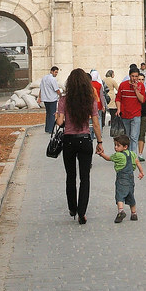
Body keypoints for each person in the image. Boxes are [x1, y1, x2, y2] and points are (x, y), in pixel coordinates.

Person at [55, 68, 104, 225]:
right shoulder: (89, 100)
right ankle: (82, 212)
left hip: (68, 140)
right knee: (85, 178)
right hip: (85, 139)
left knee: (70, 176)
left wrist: (57, 115)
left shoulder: (64, 100)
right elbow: (95, 123)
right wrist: (100, 142)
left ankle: (72, 208)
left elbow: (60, 122)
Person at [98, 133, 143, 222]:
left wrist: (101, 154)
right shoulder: (132, 154)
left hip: (122, 178)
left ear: (125, 147)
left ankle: (121, 211)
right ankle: (134, 213)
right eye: (115, 145)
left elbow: (108, 158)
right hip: (131, 178)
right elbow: (137, 162)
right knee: (131, 195)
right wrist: (141, 172)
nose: (115, 147)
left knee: (120, 195)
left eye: (118, 145)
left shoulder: (118, 155)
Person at [115, 65, 146, 155]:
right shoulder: (123, 85)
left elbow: (142, 100)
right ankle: (127, 154)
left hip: (136, 115)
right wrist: (118, 109)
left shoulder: (141, 86)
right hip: (125, 115)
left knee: (134, 137)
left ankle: (133, 156)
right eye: (133, 76)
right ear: (129, 76)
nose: (134, 78)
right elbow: (118, 99)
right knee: (127, 137)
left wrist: (136, 90)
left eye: (136, 76)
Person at [39, 65, 62, 133]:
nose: (56, 74)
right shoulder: (52, 79)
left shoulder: (44, 78)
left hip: (45, 98)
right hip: (52, 99)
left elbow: (41, 88)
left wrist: (40, 97)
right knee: (52, 114)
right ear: (51, 71)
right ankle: (51, 129)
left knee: (48, 113)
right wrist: (60, 95)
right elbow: (56, 89)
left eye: (57, 72)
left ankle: (47, 128)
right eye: (55, 72)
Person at [137, 72, 146, 161]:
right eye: (139, 79)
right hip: (134, 114)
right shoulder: (133, 90)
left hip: (143, 114)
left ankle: (140, 153)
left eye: (142, 79)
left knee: (141, 135)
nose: (141, 81)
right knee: (134, 135)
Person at [89, 70, 107, 135]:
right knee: (99, 119)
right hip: (98, 104)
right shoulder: (99, 85)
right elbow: (102, 96)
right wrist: (103, 105)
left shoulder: (88, 84)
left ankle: (91, 133)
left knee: (91, 119)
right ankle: (99, 133)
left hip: (90, 104)